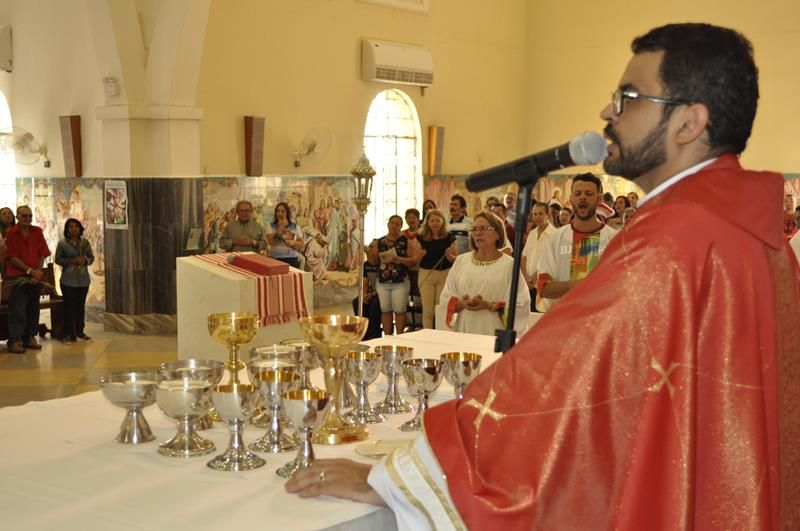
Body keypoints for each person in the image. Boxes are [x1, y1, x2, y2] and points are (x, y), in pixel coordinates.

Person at [286, 23, 800, 529]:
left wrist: (399, 481)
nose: (607, 113)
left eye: (627, 98)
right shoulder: (750, 232)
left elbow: (556, 380)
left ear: (689, 123)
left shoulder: (674, 239)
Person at [437, 211, 530, 336]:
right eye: (474, 229)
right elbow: (445, 298)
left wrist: (489, 306)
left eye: (484, 228)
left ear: (498, 234)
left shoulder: (509, 265)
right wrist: (461, 303)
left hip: (494, 331)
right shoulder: (461, 261)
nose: (478, 233)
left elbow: (521, 304)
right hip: (465, 330)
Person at [536, 173, 617, 312]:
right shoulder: (555, 239)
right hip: (563, 318)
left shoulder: (614, 239)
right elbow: (544, 288)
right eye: (578, 193)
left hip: (601, 317)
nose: (582, 197)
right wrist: (581, 284)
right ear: (571, 198)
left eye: (589, 193)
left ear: (599, 199)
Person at [4, 206, 51, 354]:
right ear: (17, 216)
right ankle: (14, 340)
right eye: (24, 216)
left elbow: (42, 254)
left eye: (30, 216)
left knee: (33, 308)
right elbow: (12, 257)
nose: (28, 219)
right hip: (18, 276)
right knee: (18, 309)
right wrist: (30, 271)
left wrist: (38, 272)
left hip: (35, 276)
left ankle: (29, 337)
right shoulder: (11, 233)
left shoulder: (37, 231)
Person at [376, 215, 422, 335]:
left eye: (397, 224)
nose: (394, 226)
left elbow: (413, 261)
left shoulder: (405, 241)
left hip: (400, 280)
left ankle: (400, 336)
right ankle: (387, 336)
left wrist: (399, 259)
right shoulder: (380, 241)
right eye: (392, 223)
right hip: (383, 280)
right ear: (388, 224)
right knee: (385, 310)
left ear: (401, 227)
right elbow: (374, 260)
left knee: (399, 310)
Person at [55, 218, 94, 343]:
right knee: (69, 307)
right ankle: (69, 333)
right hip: (68, 280)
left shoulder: (85, 243)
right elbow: (58, 259)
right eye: (71, 227)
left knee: (80, 306)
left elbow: (91, 258)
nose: (74, 229)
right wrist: (71, 261)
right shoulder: (62, 243)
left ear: (80, 228)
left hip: (83, 280)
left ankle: (80, 331)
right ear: (67, 229)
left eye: (76, 226)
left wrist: (85, 260)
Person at [416, 208, 456, 329]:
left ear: (443, 221)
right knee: (428, 310)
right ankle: (427, 334)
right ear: (427, 222)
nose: (435, 223)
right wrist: (419, 255)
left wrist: (450, 256)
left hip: (445, 274)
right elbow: (414, 259)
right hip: (426, 273)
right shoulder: (421, 237)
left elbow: (456, 259)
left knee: (441, 307)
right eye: (432, 221)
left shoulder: (449, 237)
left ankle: (440, 334)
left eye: (438, 220)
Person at [520, 202, 556, 311]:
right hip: (527, 284)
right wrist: (525, 277)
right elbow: (524, 257)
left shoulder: (555, 234)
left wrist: (536, 276)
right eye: (535, 214)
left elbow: (551, 261)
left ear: (548, 215)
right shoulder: (532, 233)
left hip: (543, 285)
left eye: (541, 214)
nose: (537, 217)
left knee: (540, 314)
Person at [352, 239, 382, 340]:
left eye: (372, 247)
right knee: (357, 302)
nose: (369, 249)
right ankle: (364, 332)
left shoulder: (382, 264)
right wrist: (364, 294)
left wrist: (372, 294)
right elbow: (364, 282)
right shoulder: (366, 265)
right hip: (371, 292)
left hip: (382, 292)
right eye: (369, 246)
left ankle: (375, 332)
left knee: (375, 304)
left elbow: (382, 285)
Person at [266, 202, 304, 268]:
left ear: (287, 213)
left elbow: (301, 244)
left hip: (291, 258)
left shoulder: (295, 226)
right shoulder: (271, 226)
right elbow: (271, 242)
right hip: (274, 258)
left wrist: (293, 242)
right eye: (278, 211)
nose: (280, 213)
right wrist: (280, 228)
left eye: (282, 211)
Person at [0, 206, 16, 274]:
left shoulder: (19, 230)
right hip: (4, 265)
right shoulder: (1, 233)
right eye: (4, 214)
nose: (8, 215)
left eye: (10, 213)